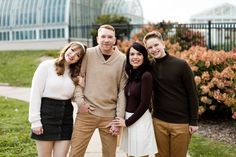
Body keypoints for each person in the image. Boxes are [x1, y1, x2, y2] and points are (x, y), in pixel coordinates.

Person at [69, 24, 126, 157]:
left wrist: (118, 119)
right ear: (97, 38)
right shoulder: (88, 54)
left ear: (115, 39)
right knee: (75, 153)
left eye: (109, 37)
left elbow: (122, 91)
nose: (106, 40)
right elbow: (79, 78)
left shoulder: (122, 59)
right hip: (86, 114)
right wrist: (80, 103)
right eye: (103, 36)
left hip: (109, 116)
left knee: (109, 154)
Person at [143, 31, 199, 157]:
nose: (154, 49)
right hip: (158, 122)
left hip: (180, 123)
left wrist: (193, 121)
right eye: (150, 47)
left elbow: (192, 94)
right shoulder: (149, 67)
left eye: (156, 45)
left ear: (163, 44)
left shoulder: (181, 65)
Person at [28, 41, 86, 157]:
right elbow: (35, 93)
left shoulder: (74, 74)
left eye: (78, 55)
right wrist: (35, 121)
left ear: (79, 60)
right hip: (46, 117)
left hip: (65, 119)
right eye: (72, 50)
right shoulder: (46, 66)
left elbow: (73, 98)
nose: (73, 55)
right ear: (67, 48)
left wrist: (81, 85)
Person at [111, 42, 158, 157]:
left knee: (141, 154)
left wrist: (127, 122)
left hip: (139, 120)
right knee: (130, 154)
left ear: (144, 57)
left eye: (139, 54)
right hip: (129, 118)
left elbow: (144, 104)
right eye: (132, 54)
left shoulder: (146, 75)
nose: (135, 57)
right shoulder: (132, 74)